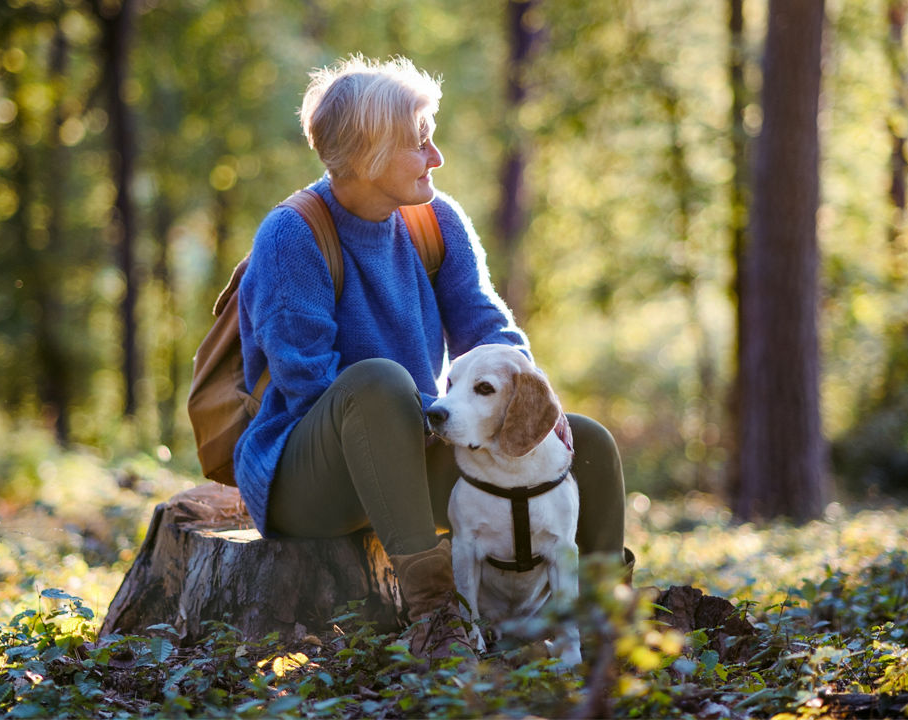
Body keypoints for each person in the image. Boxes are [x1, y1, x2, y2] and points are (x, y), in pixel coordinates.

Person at [234, 55, 629, 660]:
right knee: (378, 383)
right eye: (420, 143)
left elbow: (491, 330)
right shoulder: (293, 235)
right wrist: (436, 413)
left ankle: (601, 626)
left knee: (589, 442)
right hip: (312, 476)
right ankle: (437, 618)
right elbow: (308, 381)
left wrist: (529, 404)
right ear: (368, 153)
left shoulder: (436, 221)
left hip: (418, 446)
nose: (436, 157)